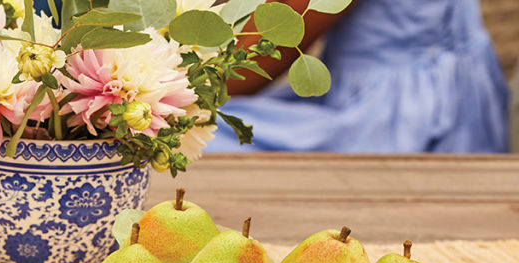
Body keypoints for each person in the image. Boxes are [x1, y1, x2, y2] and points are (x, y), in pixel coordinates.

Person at [209, 0, 510, 153]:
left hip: (391, 118)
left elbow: (276, 41)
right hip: (469, 100)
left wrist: (177, 90)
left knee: (190, 134)